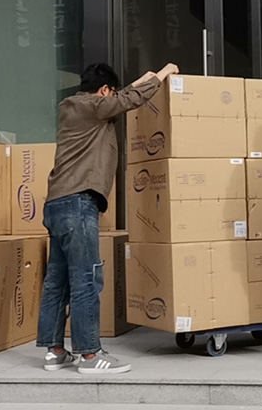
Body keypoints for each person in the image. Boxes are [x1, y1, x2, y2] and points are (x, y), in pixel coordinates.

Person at [37, 61, 179, 374]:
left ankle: (55, 351)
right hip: (78, 203)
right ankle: (90, 355)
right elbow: (128, 100)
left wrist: (146, 78)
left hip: (57, 204)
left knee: (57, 281)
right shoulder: (91, 107)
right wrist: (164, 74)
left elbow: (123, 95)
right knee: (86, 278)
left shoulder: (76, 107)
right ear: (104, 91)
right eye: (111, 93)